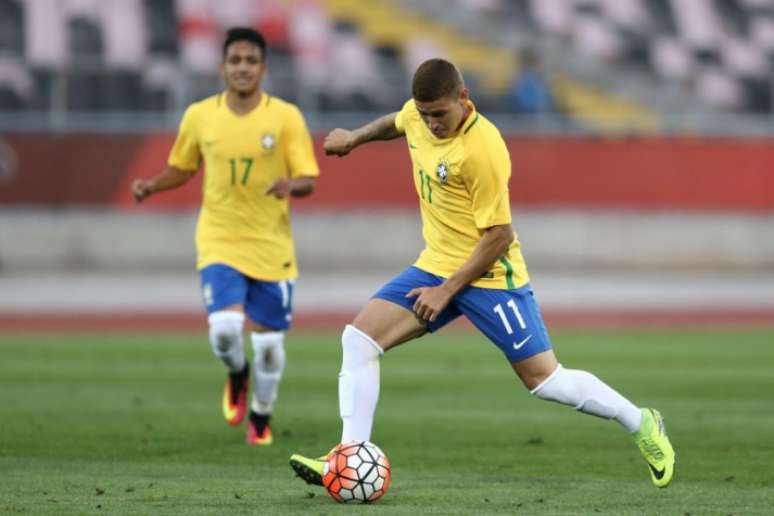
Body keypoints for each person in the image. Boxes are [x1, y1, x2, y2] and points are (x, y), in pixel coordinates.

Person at [288, 58, 674, 487]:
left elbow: (499, 236)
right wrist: (355, 138)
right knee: (359, 341)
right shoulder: (418, 114)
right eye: (426, 114)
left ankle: (641, 422)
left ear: (463, 98)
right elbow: (397, 122)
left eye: (440, 114)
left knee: (545, 380)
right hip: (435, 266)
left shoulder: (483, 148)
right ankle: (348, 456)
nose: (431, 123)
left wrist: (446, 291)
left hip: (492, 277)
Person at [131, 27, 319, 446]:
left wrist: (291, 186)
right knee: (225, 332)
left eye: (251, 61)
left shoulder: (286, 116)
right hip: (219, 239)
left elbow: (309, 179)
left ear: (263, 68)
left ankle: (261, 415)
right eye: (235, 60)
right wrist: (151, 185)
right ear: (222, 68)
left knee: (269, 347)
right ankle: (237, 373)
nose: (243, 68)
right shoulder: (200, 115)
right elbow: (183, 167)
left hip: (272, 246)